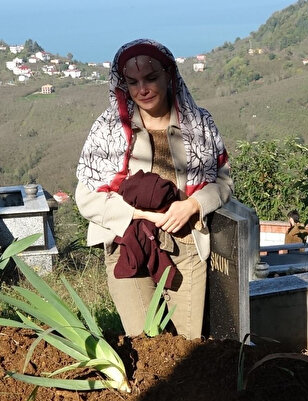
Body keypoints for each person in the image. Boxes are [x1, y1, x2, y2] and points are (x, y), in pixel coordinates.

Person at [75, 39, 233, 339]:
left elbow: (223, 181)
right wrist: (138, 213)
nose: (143, 90)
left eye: (150, 78)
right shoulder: (107, 131)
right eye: (133, 82)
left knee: (188, 344)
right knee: (146, 342)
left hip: (186, 244)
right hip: (129, 246)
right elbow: (86, 198)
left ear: (169, 76)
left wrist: (194, 204)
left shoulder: (199, 125)